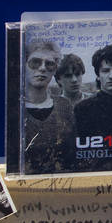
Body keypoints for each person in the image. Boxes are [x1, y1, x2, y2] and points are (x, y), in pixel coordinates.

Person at [20, 38, 75, 174]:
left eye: (49, 64)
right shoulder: (15, 109)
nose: (43, 68)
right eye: (35, 62)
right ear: (24, 65)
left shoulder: (64, 105)